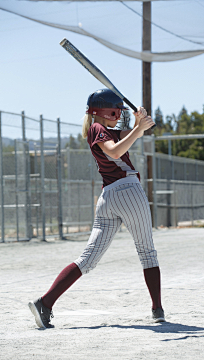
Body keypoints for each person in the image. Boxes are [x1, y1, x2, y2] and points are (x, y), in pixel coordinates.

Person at [28, 89, 165, 328]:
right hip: (128, 192)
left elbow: (127, 136)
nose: (119, 115)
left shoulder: (102, 129)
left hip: (109, 196)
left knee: (88, 259)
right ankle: (157, 308)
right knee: (147, 252)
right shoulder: (97, 129)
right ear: (106, 111)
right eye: (117, 111)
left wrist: (139, 124)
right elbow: (115, 151)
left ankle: (45, 302)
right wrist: (138, 128)